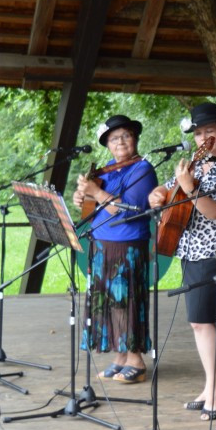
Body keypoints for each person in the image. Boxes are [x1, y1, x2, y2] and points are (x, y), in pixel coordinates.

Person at [148, 103, 216, 421]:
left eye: (209, 131)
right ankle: (210, 388)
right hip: (191, 251)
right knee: (199, 322)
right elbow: (166, 191)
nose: (203, 137)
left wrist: (190, 186)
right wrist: (157, 194)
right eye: (198, 133)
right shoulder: (195, 164)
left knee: (204, 321)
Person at [73, 114, 158, 384]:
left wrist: (96, 193)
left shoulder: (142, 169)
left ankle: (136, 360)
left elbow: (126, 211)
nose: (120, 141)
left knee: (126, 301)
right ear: (107, 145)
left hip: (127, 245)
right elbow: (94, 207)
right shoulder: (107, 170)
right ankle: (120, 358)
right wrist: (83, 197)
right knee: (109, 304)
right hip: (101, 243)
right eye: (114, 138)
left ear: (135, 139)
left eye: (126, 136)